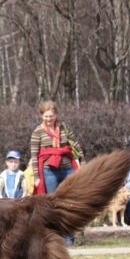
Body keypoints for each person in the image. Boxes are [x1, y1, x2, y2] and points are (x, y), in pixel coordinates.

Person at [30, 100, 83, 245]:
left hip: (67, 170)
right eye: (46, 116)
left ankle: (69, 239)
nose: (48, 119)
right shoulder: (37, 132)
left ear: (56, 115)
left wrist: (81, 161)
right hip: (49, 172)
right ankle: (54, 239)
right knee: (52, 205)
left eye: (51, 116)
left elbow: (74, 145)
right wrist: (36, 177)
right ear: (41, 116)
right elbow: (34, 156)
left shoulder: (64, 128)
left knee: (69, 203)